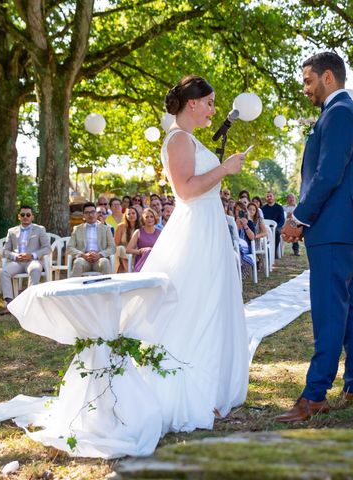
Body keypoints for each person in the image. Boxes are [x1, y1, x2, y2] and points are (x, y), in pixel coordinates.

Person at [136, 75, 250, 435]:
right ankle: (189, 389)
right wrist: (225, 169)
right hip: (195, 226)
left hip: (209, 225)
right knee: (196, 303)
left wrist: (220, 170)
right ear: (192, 104)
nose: (213, 111)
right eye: (210, 103)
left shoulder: (189, 138)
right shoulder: (179, 139)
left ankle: (211, 386)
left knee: (212, 302)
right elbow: (185, 190)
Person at [279, 52, 353, 422]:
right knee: (350, 308)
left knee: (329, 312)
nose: (305, 89)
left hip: (332, 228)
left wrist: (299, 218)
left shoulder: (340, 114)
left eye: (308, 81)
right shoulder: (341, 113)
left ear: (328, 77)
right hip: (339, 228)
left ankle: (315, 395)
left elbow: (328, 174)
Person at [0, 205, 51, 308]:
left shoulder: (40, 229)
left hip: (32, 260)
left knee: (36, 268)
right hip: (17, 262)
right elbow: (5, 251)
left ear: (32, 217)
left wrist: (32, 255)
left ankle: (29, 301)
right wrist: (15, 256)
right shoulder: (11, 231)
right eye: (23, 215)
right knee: (4, 272)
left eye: (28, 215)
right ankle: (10, 303)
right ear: (19, 217)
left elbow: (47, 248)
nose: (25, 217)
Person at [68, 202, 116, 276]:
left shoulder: (106, 229)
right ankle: (74, 287)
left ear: (96, 214)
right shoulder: (77, 229)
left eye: (93, 212)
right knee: (78, 262)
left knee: (105, 262)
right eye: (87, 213)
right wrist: (83, 255)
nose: (90, 215)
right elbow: (70, 247)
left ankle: (107, 287)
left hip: (99, 258)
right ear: (83, 215)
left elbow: (112, 247)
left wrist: (99, 255)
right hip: (84, 259)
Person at [125, 208, 162, 272]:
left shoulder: (159, 232)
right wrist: (140, 251)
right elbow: (128, 249)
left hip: (156, 260)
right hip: (142, 260)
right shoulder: (138, 232)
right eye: (146, 217)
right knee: (148, 251)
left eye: (151, 217)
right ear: (143, 220)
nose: (149, 219)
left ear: (155, 218)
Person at [114, 206, 140, 273]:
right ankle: (128, 270)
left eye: (133, 213)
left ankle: (130, 269)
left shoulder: (141, 227)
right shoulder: (120, 227)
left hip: (135, 252)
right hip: (122, 252)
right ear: (125, 216)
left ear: (137, 215)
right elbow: (116, 244)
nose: (131, 215)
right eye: (129, 214)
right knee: (120, 248)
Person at [261, 191, 285, 255]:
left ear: (274, 197)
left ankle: (274, 252)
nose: (269, 198)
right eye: (267, 196)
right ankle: (266, 251)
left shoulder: (279, 208)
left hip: (277, 227)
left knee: (277, 232)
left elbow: (282, 220)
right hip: (266, 227)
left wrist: (276, 227)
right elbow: (262, 220)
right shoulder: (263, 208)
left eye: (270, 196)